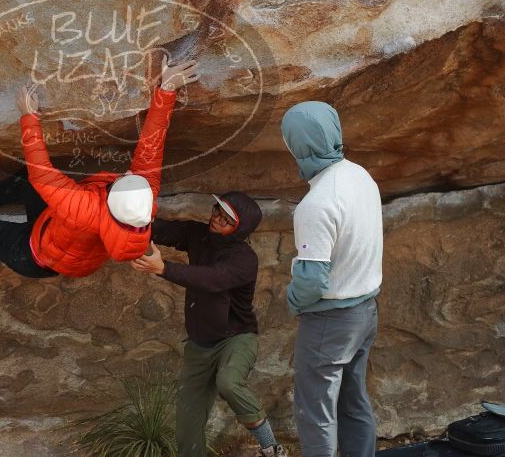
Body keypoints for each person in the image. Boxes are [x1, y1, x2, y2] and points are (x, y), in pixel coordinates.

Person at [0, 57, 200, 278]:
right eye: (132, 178)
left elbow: (41, 172)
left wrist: (28, 116)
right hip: (56, 233)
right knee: (25, 183)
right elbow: (151, 147)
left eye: (123, 180)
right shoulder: (142, 202)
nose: (129, 173)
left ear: (113, 197)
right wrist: (166, 91)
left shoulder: (86, 208)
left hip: (33, 254)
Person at [131, 193, 288, 457]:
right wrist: (133, 220)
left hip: (236, 338)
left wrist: (163, 268)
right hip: (199, 344)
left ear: (239, 229)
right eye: (217, 212)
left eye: (227, 220)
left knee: (229, 381)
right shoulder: (198, 234)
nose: (217, 220)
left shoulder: (244, 259)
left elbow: (212, 279)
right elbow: (163, 230)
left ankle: (270, 447)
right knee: (187, 424)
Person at [281, 101, 382, 456]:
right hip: (367, 311)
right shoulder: (360, 175)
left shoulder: (317, 202)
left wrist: (291, 299)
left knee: (316, 412)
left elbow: (312, 282)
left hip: (331, 319)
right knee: (353, 403)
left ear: (294, 145)